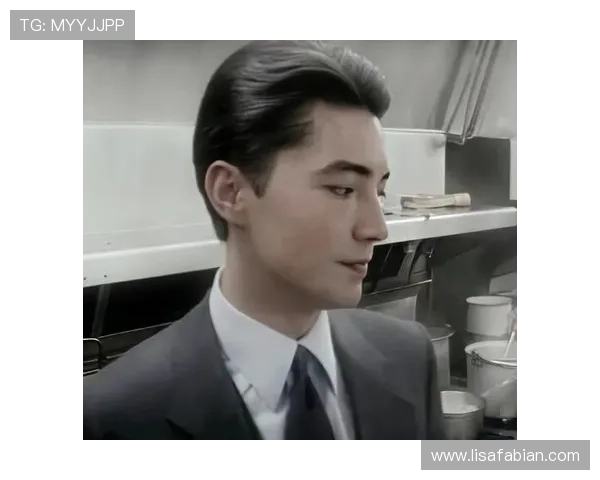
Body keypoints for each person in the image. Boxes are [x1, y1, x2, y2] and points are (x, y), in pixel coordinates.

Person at [80, 40, 445, 440]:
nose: (376, 228)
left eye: (380, 192)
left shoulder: (409, 357)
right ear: (231, 192)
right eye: (342, 189)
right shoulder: (112, 419)